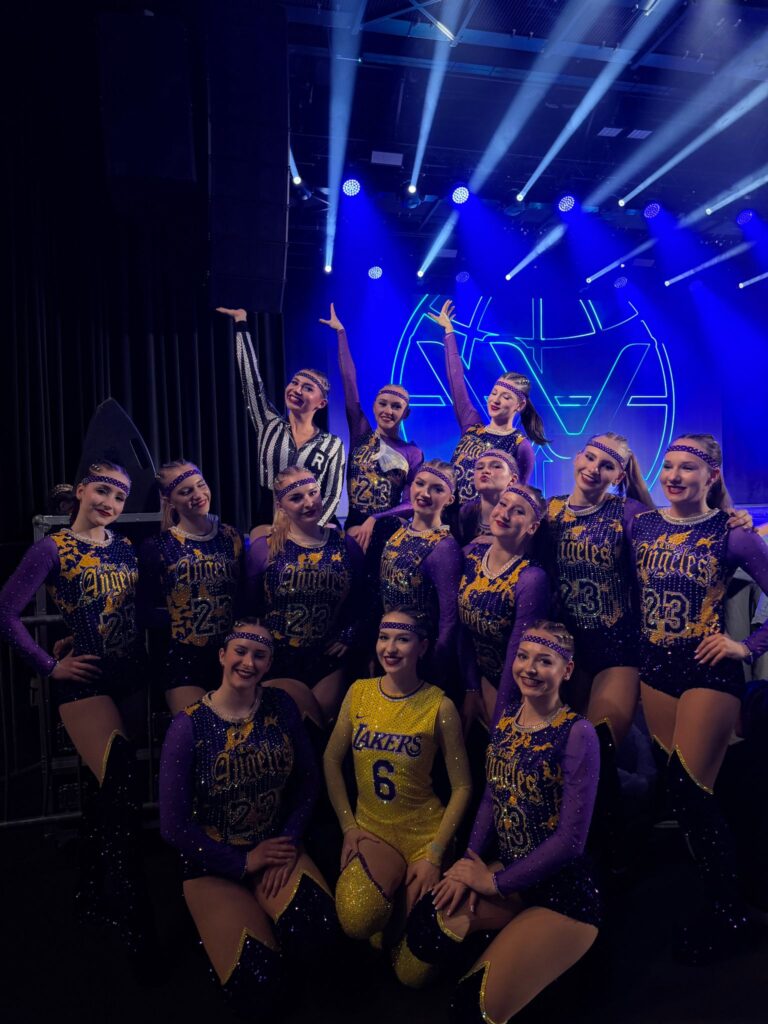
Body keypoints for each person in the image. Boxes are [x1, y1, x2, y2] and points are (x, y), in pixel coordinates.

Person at [397, 622, 600, 1024]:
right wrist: (467, 861)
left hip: (562, 894)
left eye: (545, 661)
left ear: (567, 670)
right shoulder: (506, 719)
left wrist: (493, 883)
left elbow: (570, 842)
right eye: (523, 657)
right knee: (426, 927)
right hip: (512, 878)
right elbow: (493, 796)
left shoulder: (578, 733)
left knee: (470, 1011)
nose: (529, 668)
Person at [0, 461, 154, 965]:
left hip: (130, 676)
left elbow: (130, 610)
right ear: (82, 490)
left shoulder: (125, 547)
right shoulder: (52, 548)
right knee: (122, 786)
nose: (110, 503)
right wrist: (49, 665)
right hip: (85, 681)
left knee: (102, 791)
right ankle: (133, 911)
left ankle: (90, 890)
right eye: (103, 491)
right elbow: (6, 612)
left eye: (120, 496)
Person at [630, 433, 768, 961]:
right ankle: (731, 893)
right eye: (668, 465)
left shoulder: (732, 533)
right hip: (654, 672)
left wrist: (746, 646)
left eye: (687, 467)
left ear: (712, 476)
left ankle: (729, 914)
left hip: (707, 672)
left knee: (689, 793)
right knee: (695, 796)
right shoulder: (642, 525)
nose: (674, 475)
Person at [159, 619, 338, 1018]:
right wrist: (241, 862)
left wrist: (289, 840)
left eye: (260, 655)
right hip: (212, 861)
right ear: (222, 655)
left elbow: (308, 780)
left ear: (269, 664)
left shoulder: (281, 705)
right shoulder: (187, 726)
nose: (248, 662)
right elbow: (173, 827)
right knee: (258, 984)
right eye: (240, 651)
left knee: (319, 931)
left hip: (273, 845)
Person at [323, 608, 471, 966]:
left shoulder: (440, 706)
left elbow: (463, 787)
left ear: (422, 647)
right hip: (373, 832)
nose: (390, 648)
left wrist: (435, 854)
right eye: (383, 637)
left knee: (411, 971)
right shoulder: (358, 693)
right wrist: (348, 827)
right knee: (357, 917)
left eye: (402, 639)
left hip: (424, 836)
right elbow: (330, 760)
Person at [246, 466, 365, 723]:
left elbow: (364, 598)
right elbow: (248, 608)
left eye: (313, 493)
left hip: (327, 657)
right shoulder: (265, 548)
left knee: (319, 730)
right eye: (296, 497)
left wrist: (350, 634)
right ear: (281, 506)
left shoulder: (345, 545)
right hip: (278, 659)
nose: (309, 503)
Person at [217, 306, 345, 526]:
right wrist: (241, 323)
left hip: (313, 521)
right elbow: (251, 382)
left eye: (307, 388)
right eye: (294, 382)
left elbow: (333, 495)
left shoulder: (332, 445)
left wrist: (314, 526)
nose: (297, 390)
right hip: (269, 518)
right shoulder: (268, 424)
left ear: (321, 403)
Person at [138, 460, 244, 715]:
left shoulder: (231, 537)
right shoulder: (157, 546)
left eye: (200, 485)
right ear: (169, 500)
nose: (198, 495)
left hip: (231, 657)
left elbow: (244, 596)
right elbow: (142, 609)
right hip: (183, 660)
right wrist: (182, 617)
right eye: (186, 491)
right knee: (201, 728)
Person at [319, 303, 423, 554]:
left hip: (388, 527)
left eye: (396, 407)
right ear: (374, 406)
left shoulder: (412, 453)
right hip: (354, 524)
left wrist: (375, 519)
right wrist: (341, 333)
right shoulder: (361, 432)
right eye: (383, 404)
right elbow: (349, 382)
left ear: (406, 414)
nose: (388, 410)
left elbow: (411, 503)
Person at [428, 300, 548, 503]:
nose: (496, 400)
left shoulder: (521, 446)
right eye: (494, 393)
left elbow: (517, 497)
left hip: (485, 519)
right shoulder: (471, 425)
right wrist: (449, 332)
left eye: (506, 397)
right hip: (447, 514)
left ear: (520, 405)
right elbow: (456, 380)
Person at [459, 484, 550, 733]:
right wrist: (471, 687)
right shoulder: (470, 555)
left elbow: (518, 654)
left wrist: (502, 721)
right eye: (503, 504)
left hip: (516, 689)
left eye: (518, 511)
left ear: (532, 527)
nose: (505, 514)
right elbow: (460, 629)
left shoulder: (531, 579)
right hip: (474, 679)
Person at [377, 460, 462, 681]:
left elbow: (450, 619)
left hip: (421, 659)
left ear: (450, 499)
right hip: (388, 648)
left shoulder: (444, 547)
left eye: (437, 489)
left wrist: (436, 664)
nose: (425, 493)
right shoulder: (399, 530)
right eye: (420, 484)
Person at [457, 449, 520, 547]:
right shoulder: (465, 514)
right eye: (479, 468)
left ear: (512, 479)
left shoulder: (522, 516)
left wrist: (504, 543)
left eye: (496, 466)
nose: (485, 471)